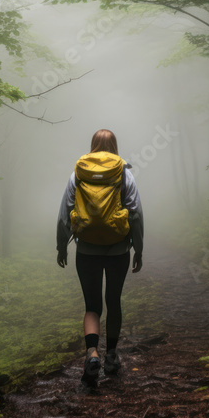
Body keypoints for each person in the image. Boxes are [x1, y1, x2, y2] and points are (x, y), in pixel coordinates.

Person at [56, 128, 144, 386]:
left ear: (92, 145)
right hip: (118, 249)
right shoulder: (124, 174)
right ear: (114, 145)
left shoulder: (78, 174)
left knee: (92, 306)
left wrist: (62, 246)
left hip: (86, 250)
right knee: (113, 300)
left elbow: (65, 213)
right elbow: (135, 214)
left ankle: (92, 353)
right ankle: (112, 356)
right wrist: (138, 248)